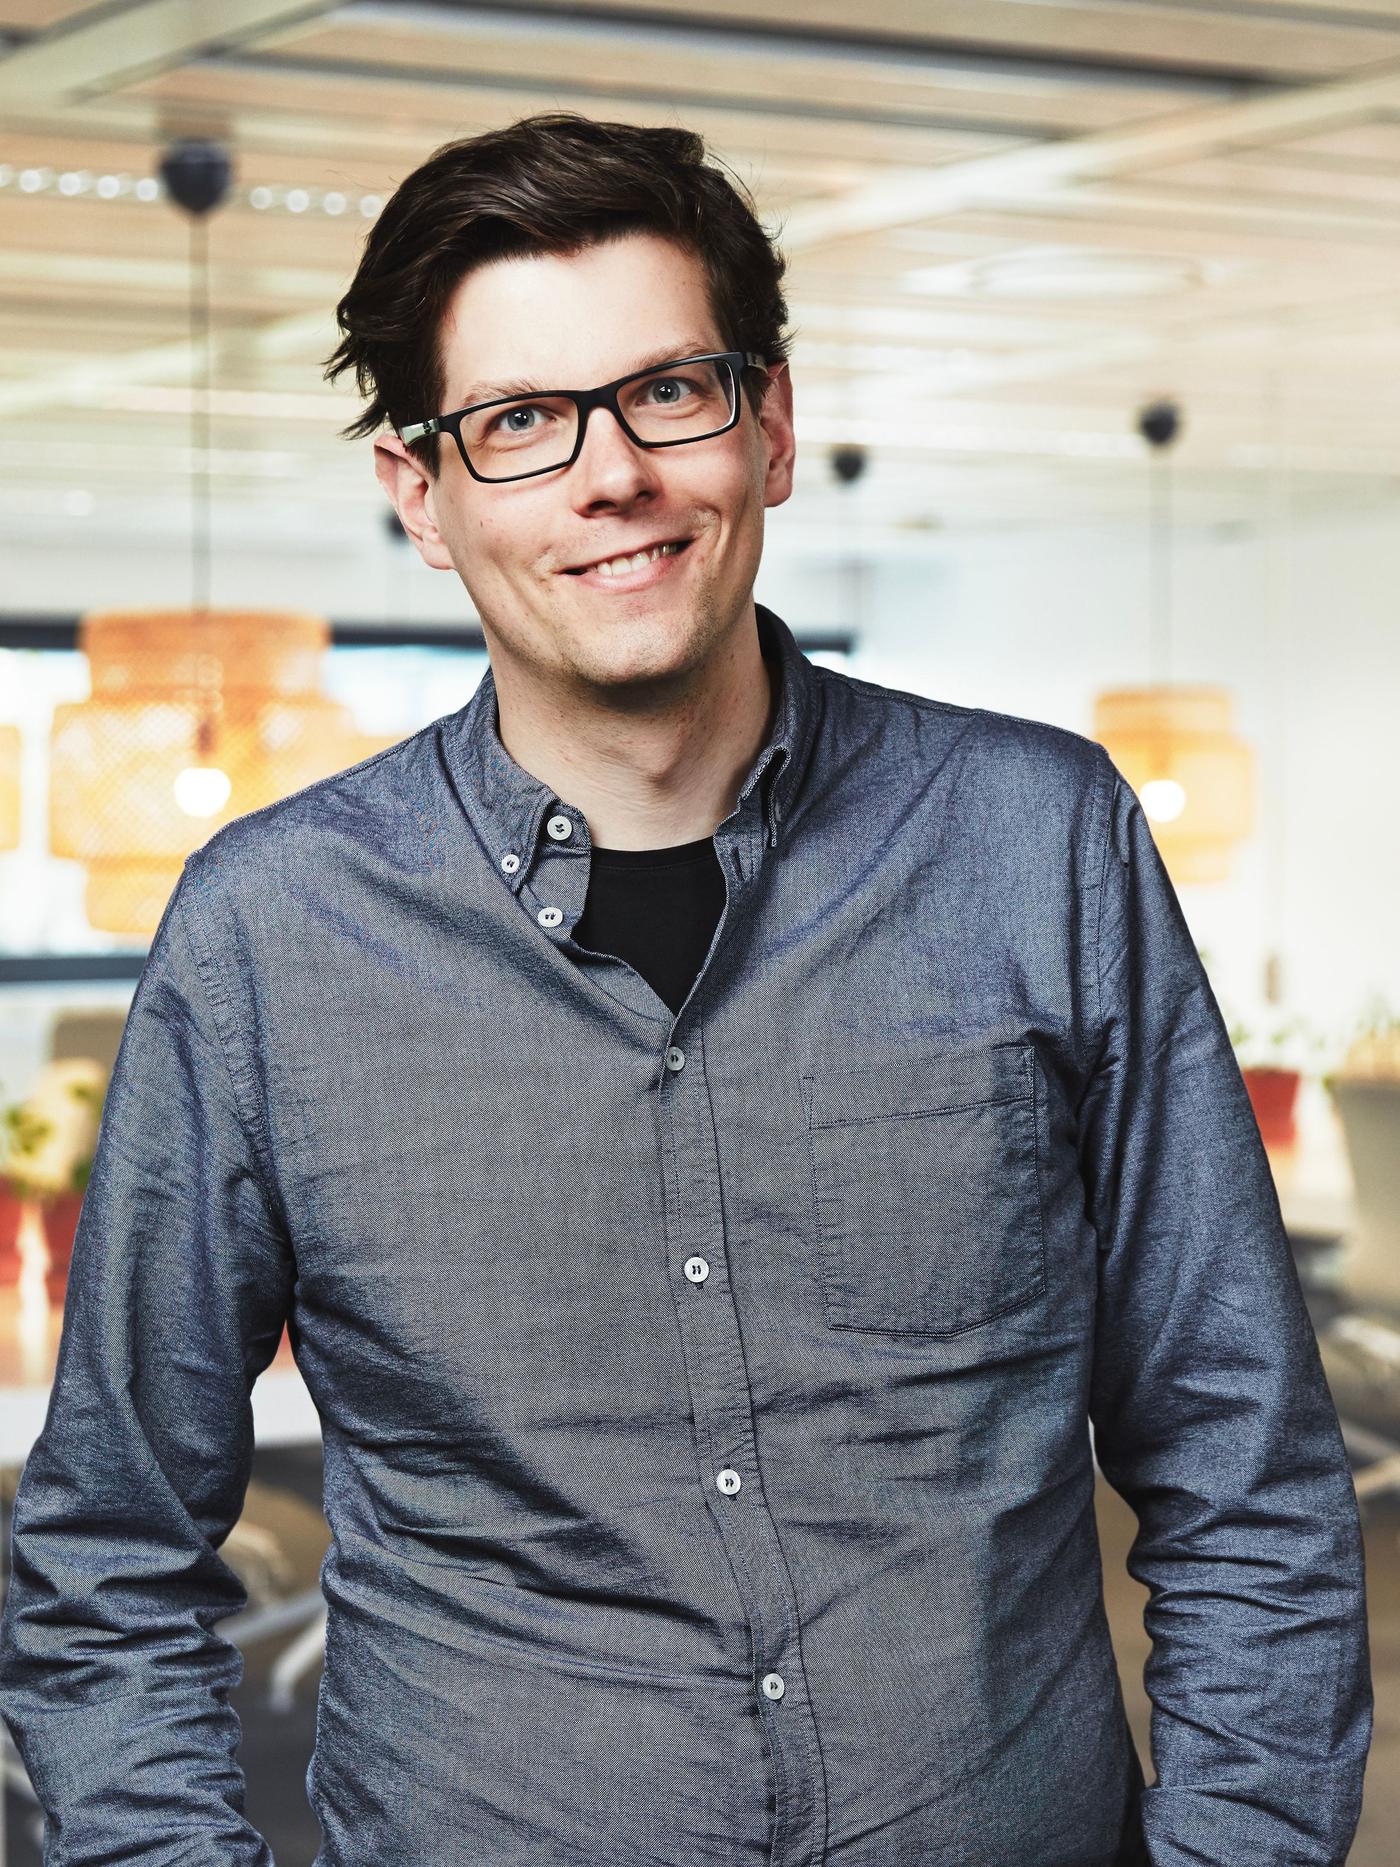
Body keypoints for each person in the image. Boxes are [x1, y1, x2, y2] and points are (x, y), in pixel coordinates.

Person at [0, 111, 1371, 1867]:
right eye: (517, 423)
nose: (609, 477)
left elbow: (1247, 1475)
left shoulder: (1044, 843)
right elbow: (108, 1558)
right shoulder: (269, 932)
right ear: (420, 495)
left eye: (669, 392)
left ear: (772, 425)